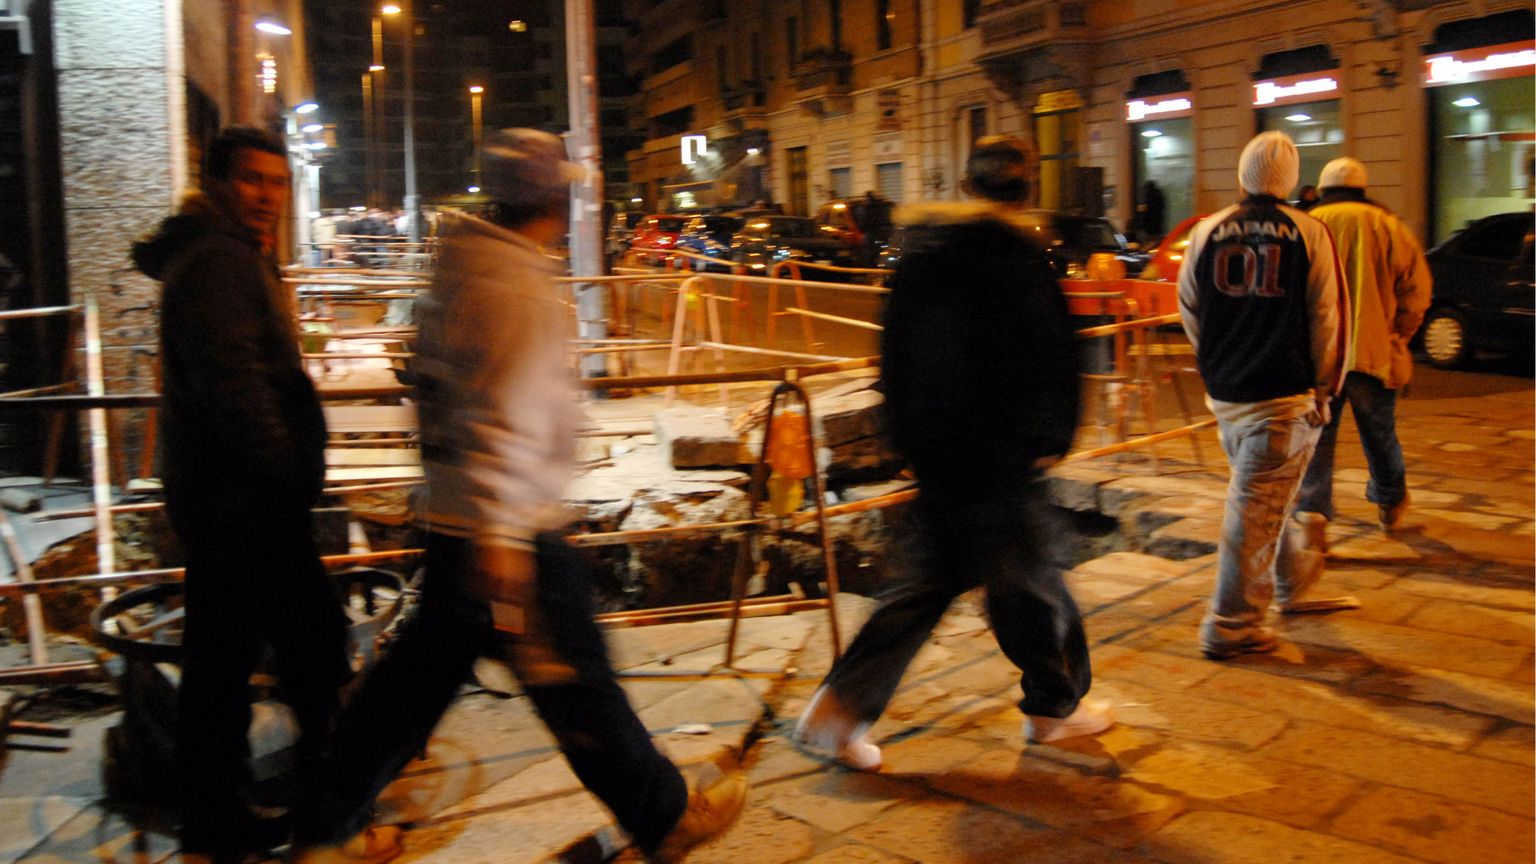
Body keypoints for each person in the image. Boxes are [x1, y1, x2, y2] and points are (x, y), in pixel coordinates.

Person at [287, 129, 745, 864]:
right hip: (511, 530)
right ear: (555, 199)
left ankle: (322, 827)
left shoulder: (463, 269)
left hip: (466, 519)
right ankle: (663, 816)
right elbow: (499, 413)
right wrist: (502, 541)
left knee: (413, 689)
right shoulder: (511, 284)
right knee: (576, 681)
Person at [793, 135, 1111, 771]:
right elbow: (1053, 356)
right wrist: (1051, 438)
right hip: (999, 458)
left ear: (968, 185)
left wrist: (905, 440)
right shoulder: (1023, 257)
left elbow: (894, 355)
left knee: (1013, 581)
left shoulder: (924, 253)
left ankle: (1050, 701)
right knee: (997, 581)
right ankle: (843, 710)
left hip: (942, 452)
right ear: (1023, 192)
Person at [132, 126, 351, 863]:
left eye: (277, 182)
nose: (267, 196)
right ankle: (321, 818)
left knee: (222, 666)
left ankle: (215, 827)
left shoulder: (221, 256)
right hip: (248, 504)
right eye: (253, 180)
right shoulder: (220, 262)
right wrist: (287, 469)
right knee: (313, 652)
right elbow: (236, 387)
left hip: (229, 500)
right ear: (219, 185)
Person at [1176, 132, 1351, 659]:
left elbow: (1189, 307)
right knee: (1254, 509)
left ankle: (1291, 582)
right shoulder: (1309, 232)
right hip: (1282, 394)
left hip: (1227, 394)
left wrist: (1219, 364)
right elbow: (1327, 317)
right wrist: (1325, 389)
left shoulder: (1207, 230)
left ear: (1242, 173)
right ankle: (1231, 624)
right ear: (1293, 178)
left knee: (1262, 500)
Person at [1296, 157, 1432, 535]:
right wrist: (1398, 334)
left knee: (1317, 435)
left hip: (1318, 355)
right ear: (1362, 187)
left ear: (1322, 189)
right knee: (1380, 433)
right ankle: (1389, 501)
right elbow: (1416, 292)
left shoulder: (1306, 225)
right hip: (1374, 353)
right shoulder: (1388, 225)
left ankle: (1312, 512)